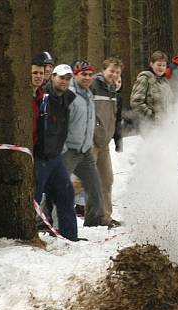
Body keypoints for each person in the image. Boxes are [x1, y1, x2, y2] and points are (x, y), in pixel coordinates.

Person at [34, 64, 81, 241]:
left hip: (56, 157)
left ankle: (70, 235)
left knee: (66, 194)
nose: (64, 81)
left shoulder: (67, 98)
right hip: (40, 157)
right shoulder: (43, 97)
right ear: (52, 76)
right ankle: (27, 236)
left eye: (68, 78)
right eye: (61, 77)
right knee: (35, 198)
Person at [62, 60, 110, 228]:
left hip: (85, 150)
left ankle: (94, 220)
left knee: (95, 186)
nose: (87, 77)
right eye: (84, 74)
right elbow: (61, 123)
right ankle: (45, 222)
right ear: (75, 75)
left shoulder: (89, 94)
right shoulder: (68, 94)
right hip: (68, 149)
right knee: (59, 186)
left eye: (90, 74)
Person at [91, 57, 124, 228]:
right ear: (103, 70)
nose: (114, 74)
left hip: (104, 143)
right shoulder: (93, 85)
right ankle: (49, 206)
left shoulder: (113, 91)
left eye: (117, 72)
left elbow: (115, 119)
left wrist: (116, 138)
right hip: (90, 140)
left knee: (107, 179)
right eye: (111, 71)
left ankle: (103, 217)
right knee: (82, 181)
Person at [130, 50, 174, 128]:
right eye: (159, 65)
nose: (161, 68)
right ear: (151, 64)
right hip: (148, 126)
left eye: (164, 65)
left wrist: (171, 118)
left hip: (165, 126)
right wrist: (152, 117)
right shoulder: (145, 79)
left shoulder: (165, 82)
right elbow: (136, 102)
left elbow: (171, 103)